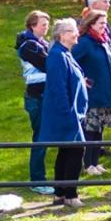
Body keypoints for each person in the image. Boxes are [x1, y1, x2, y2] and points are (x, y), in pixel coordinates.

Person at [40, 18, 90, 203]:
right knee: (76, 151)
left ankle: (60, 193)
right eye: (71, 31)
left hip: (71, 113)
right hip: (68, 115)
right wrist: (68, 114)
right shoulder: (57, 56)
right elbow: (58, 87)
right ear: (61, 35)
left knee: (66, 151)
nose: (76, 33)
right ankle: (70, 194)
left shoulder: (64, 54)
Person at [75, 9, 111, 173]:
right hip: (92, 94)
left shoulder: (103, 40)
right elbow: (72, 62)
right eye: (101, 23)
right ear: (91, 24)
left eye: (105, 23)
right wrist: (82, 79)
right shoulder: (84, 42)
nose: (104, 26)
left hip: (105, 92)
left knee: (100, 129)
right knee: (90, 130)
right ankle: (87, 164)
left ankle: (95, 162)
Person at [15, 9, 52, 191]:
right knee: (40, 138)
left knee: (44, 137)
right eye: (43, 25)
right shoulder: (28, 46)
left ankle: (40, 179)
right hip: (36, 96)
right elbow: (48, 65)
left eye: (47, 25)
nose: (46, 28)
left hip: (44, 95)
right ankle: (37, 180)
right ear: (32, 26)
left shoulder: (41, 43)